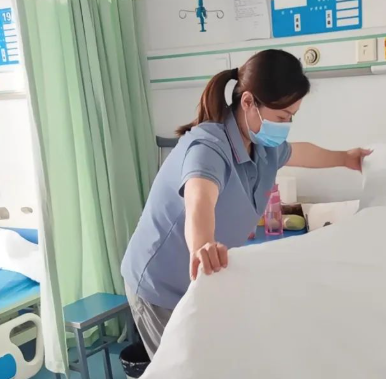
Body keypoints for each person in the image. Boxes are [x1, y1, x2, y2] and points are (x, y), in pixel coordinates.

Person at [122, 49, 370, 359]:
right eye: (281, 117)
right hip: (161, 284)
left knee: (214, 363)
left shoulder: (263, 147)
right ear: (249, 102)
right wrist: (203, 245)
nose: (286, 125)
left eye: (291, 117)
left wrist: (345, 158)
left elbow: (302, 153)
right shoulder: (209, 146)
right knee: (183, 371)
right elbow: (200, 198)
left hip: (201, 281)